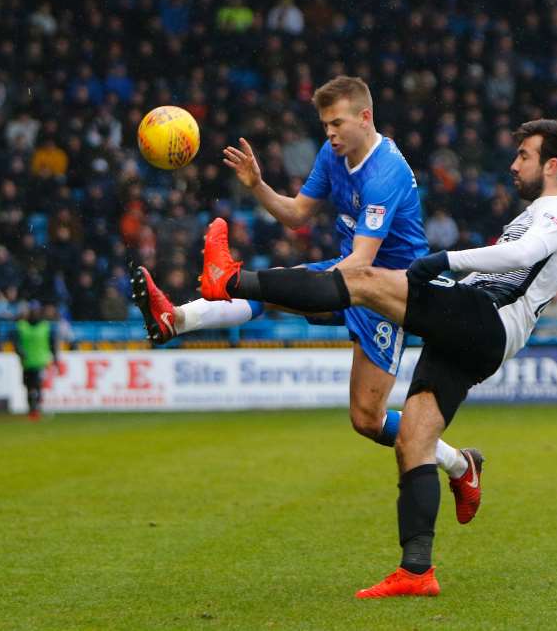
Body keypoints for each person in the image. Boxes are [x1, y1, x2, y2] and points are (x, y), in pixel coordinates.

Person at [197, 119, 557, 598]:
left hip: (482, 320)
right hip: (476, 332)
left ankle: (231, 281)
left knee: (360, 278)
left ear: (551, 165)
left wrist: (446, 261)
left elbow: (520, 256)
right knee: (415, 441)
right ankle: (417, 571)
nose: (514, 164)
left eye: (524, 155)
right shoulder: (545, 211)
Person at [132, 76, 483, 523]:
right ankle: (175, 319)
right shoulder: (333, 153)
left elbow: (361, 263)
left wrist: (302, 284)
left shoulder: (386, 172)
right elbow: (298, 214)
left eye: (336, 124)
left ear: (365, 117)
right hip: (353, 273)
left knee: (367, 418)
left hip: (390, 292)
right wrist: (258, 184)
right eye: (324, 125)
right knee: (276, 291)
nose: (330, 133)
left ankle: (460, 465)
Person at [12, 301, 58, 421]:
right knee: (29, 386)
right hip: (27, 362)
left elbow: (52, 344)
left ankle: (35, 408)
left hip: (40, 361)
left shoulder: (45, 326)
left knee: (37, 385)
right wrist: (20, 352)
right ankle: (32, 408)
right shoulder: (21, 326)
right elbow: (16, 343)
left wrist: (55, 357)